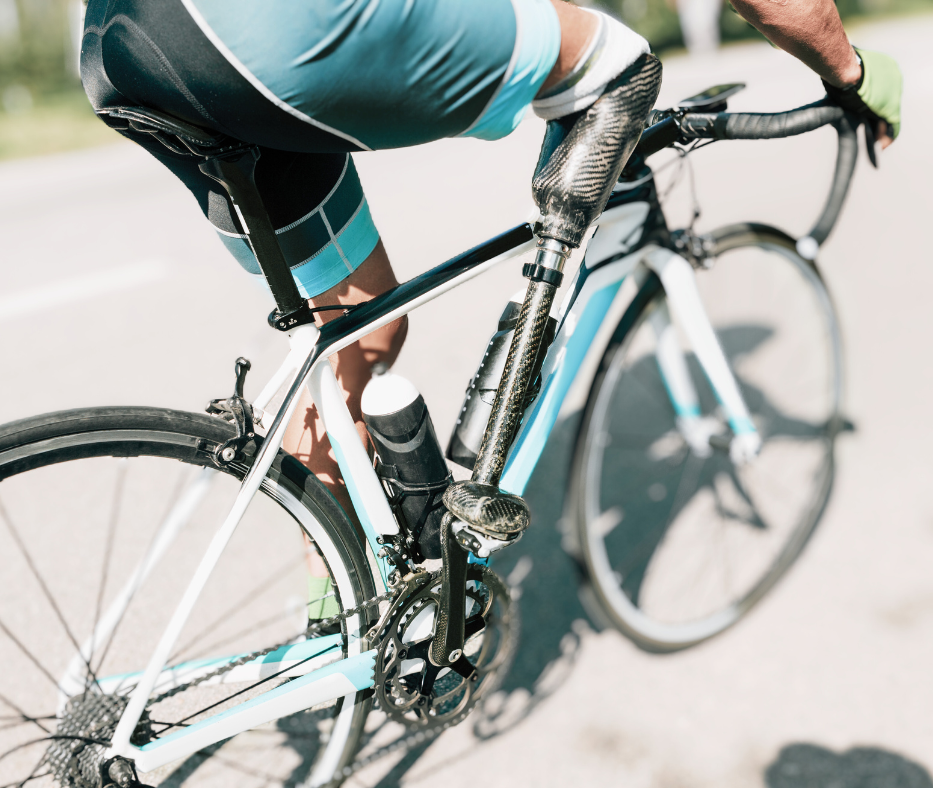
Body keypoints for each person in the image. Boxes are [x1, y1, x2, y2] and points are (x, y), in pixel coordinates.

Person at [79, 0, 900, 614]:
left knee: (357, 327)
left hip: (130, 42)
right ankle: (473, 490)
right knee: (620, 69)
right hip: (276, 29)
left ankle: (342, 621)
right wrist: (853, 72)